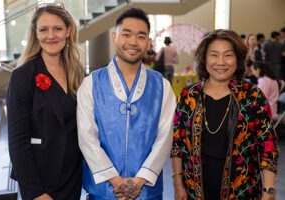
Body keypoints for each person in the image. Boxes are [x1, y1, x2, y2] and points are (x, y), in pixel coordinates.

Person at [77, 7, 176, 200]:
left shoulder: (162, 86)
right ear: (114, 37)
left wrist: (138, 182)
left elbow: (165, 138)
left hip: (147, 191)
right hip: (103, 192)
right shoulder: (91, 83)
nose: (133, 42)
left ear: (148, 43)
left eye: (140, 37)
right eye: (127, 34)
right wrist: (116, 181)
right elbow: (86, 137)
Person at [171, 29, 279, 200]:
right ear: (204, 58)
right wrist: (177, 185)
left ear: (237, 58)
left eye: (228, 55)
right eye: (214, 55)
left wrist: (269, 190)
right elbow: (177, 144)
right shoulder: (188, 96)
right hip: (195, 191)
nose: (221, 62)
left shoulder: (253, 97)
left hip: (243, 191)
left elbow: (268, 146)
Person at [7, 3, 84, 200]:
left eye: (57, 28)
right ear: (36, 33)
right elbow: (17, 143)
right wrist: (36, 193)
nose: (51, 35)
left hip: (72, 179)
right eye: (43, 29)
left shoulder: (77, 73)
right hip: (40, 182)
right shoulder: (23, 76)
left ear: (68, 31)